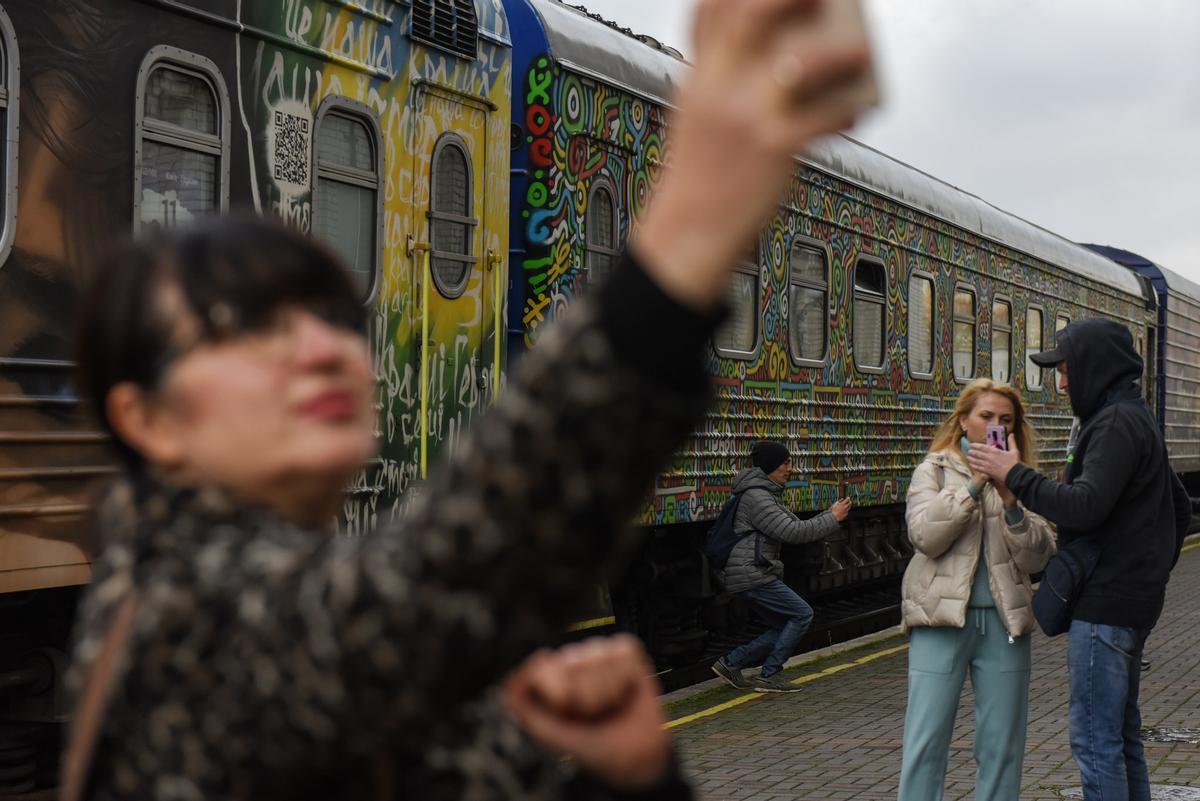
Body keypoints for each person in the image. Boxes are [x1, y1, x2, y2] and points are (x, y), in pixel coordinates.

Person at [62, 1, 875, 798]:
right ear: (148, 419)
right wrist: (685, 240)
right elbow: (433, 590)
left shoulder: (342, 634)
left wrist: (627, 775)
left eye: (332, 319)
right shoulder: (179, 624)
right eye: (245, 329)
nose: (319, 350)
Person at [968, 319, 1192, 801]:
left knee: (1095, 742)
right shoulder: (1136, 417)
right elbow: (1178, 505)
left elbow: (1086, 505)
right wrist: (1148, 577)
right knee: (1121, 737)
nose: (1063, 381)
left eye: (1066, 369)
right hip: (1129, 604)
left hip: (1106, 610)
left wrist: (1016, 475)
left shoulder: (1113, 424)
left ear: (1094, 367)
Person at [897, 379, 1055, 801]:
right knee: (925, 741)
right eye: (985, 417)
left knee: (1002, 745)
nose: (994, 426)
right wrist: (971, 488)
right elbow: (924, 537)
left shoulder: (1025, 481)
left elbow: (1038, 558)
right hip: (939, 622)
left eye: (1005, 419)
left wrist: (1010, 500)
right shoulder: (932, 470)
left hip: (1004, 624)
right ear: (964, 422)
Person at [710, 441, 852, 692]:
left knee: (784, 624)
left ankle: (731, 664)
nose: (791, 468)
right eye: (786, 463)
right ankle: (769, 675)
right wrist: (833, 518)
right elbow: (793, 532)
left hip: (753, 570)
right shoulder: (758, 497)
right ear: (770, 466)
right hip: (752, 572)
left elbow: (794, 524)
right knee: (801, 614)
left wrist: (827, 515)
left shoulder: (765, 494)